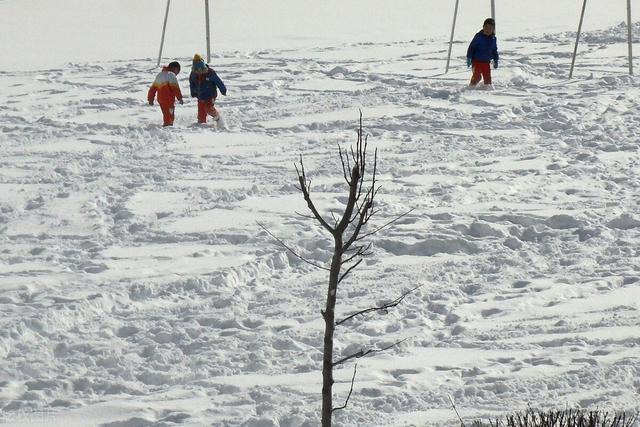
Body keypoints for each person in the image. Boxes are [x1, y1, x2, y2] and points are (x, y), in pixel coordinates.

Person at [189, 54, 227, 124]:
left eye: (201, 70)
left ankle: (218, 117)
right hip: (200, 95)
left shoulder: (210, 73)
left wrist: (223, 90)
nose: (199, 72)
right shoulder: (193, 74)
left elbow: (218, 82)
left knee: (208, 108)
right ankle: (201, 123)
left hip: (210, 95)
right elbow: (192, 83)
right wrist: (193, 92)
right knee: (201, 113)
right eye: (197, 71)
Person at [148, 61, 184, 127]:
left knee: (166, 113)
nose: (177, 74)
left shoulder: (160, 75)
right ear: (175, 68)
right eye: (178, 71)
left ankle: (167, 125)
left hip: (161, 99)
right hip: (168, 99)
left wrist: (150, 99)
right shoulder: (171, 75)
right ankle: (168, 127)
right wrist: (180, 98)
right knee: (170, 115)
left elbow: (153, 88)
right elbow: (175, 88)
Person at [466, 18, 499, 87]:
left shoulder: (493, 39)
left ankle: (487, 90)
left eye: (490, 28)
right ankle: (471, 86)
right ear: (483, 27)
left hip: (486, 62)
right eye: (486, 27)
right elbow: (472, 47)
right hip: (476, 61)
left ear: (493, 29)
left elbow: (494, 50)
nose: (488, 30)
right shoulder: (479, 36)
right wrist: (469, 57)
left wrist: (496, 60)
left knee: (487, 79)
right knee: (477, 76)